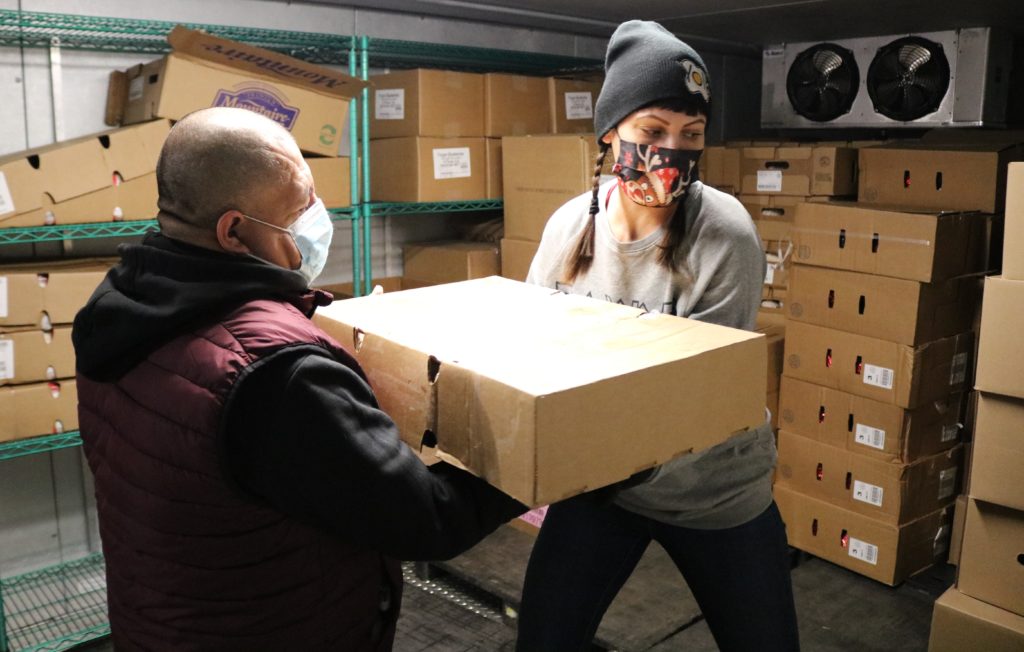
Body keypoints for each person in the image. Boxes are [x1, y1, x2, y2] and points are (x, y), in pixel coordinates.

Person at [72, 107, 526, 651]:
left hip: (164, 620)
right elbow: (428, 519)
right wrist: (543, 450)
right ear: (234, 230)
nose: (316, 216)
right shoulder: (281, 375)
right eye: (300, 207)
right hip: (280, 627)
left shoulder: (120, 307)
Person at [515, 20, 800, 652]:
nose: (672, 150)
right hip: (601, 486)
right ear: (611, 131)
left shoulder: (723, 232)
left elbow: (690, 402)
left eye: (690, 135)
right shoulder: (570, 226)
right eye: (652, 131)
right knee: (544, 639)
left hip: (712, 493)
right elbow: (533, 350)